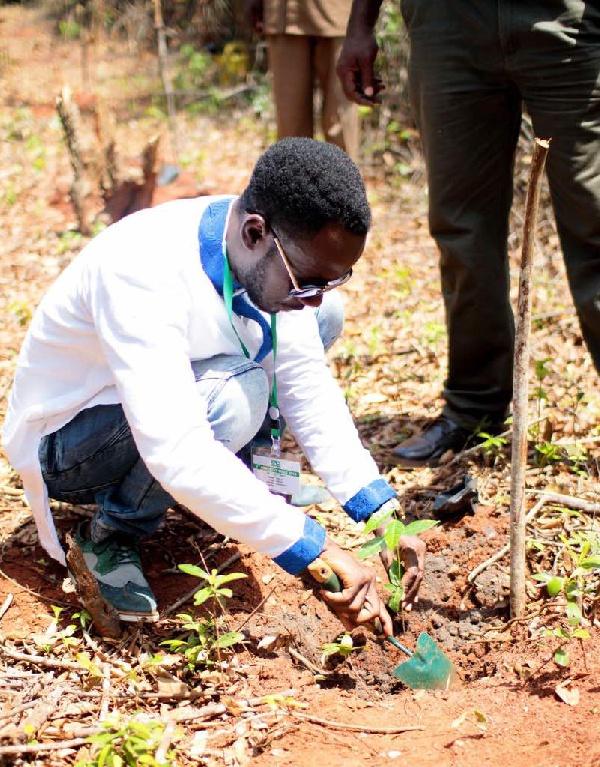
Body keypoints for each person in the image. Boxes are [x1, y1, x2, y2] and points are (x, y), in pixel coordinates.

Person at [2, 138, 424, 634]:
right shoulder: (140, 268)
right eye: (307, 280)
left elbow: (304, 380)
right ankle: (112, 533)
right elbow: (176, 451)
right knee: (235, 396)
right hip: (71, 445)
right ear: (254, 232)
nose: (312, 298)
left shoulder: (264, 246)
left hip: (161, 403)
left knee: (320, 321)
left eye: (336, 278)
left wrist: (380, 512)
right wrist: (311, 549)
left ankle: (233, 483)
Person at [337, 1, 600, 466]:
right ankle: (474, 408)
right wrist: (361, 22)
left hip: (564, 19)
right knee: (462, 229)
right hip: (447, 23)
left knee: (594, 220)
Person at [246, 0, 360, 161]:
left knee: (340, 126)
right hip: (284, 14)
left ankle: (345, 186)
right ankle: (294, 187)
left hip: (339, 14)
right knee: (291, 134)